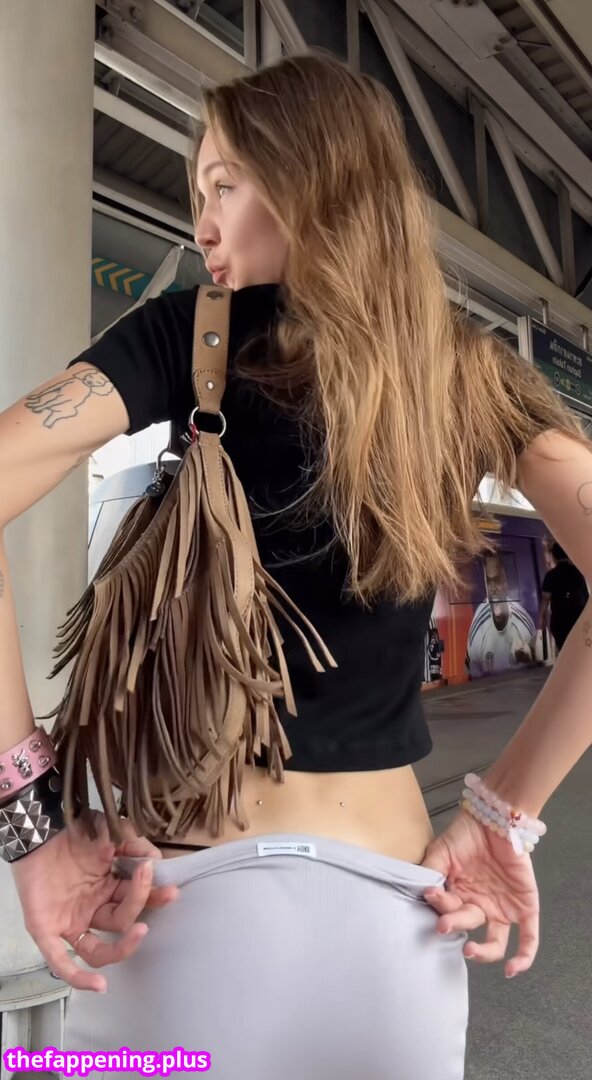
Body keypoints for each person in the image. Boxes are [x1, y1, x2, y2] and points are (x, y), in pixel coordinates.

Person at [2, 53, 592, 1080]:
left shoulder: (184, 339)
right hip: (398, 924)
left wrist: (30, 822)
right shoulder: (465, 371)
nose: (202, 225)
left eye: (223, 183)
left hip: (179, 916)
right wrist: (504, 809)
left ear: (311, 178)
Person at [466, 553, 535, 676]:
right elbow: (472, 674)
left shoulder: (524, 626)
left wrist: (528, 660)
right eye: (489, 582)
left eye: (497, 580)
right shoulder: (478, 628)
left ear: (506, 584)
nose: (493, 588)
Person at [539, 541, 589, 652]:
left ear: (554, 557)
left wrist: (542, 618)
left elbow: (545, 599)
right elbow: (586, 598)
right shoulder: (578, 573)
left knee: (564, 649)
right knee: (579, 649)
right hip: (577, 619)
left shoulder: (551, 575)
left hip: (559, 620)